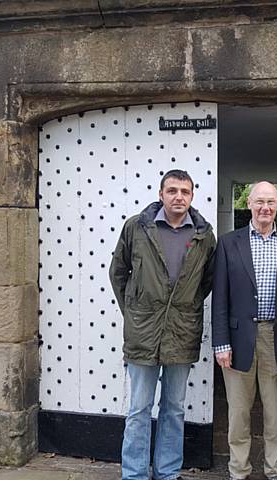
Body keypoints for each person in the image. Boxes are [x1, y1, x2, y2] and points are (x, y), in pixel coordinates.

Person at [109, 169, 216, 480]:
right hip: (142, 334)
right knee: (139, 410)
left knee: (174, 409)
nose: (178, 197)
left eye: (184, 191)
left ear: (192, 195)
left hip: (182, 334)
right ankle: (134, 474)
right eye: (172, 191)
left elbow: (205, 282)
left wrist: (183, 309)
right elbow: (118, 272)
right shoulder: (136, 227)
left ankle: (168, 473)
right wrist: (135, 312)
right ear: (161, 194)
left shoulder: (204, 235)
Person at [212, 181, 277, 480]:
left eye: (270, 202)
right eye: (259, 202)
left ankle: (275, 471)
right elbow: (220, 297)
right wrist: (220, 343)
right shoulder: (229, 243)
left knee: (275, 412)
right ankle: (238, 471)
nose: (265, 207)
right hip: (238, 339)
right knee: (238, 411)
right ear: (249, 204)